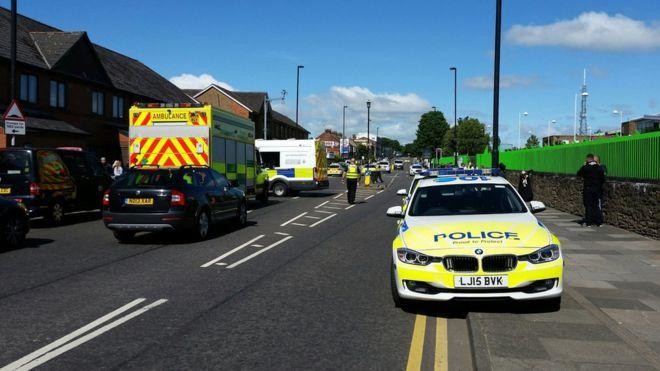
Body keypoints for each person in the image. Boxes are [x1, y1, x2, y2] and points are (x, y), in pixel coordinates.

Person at [577, 153, 605, 227]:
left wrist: (584, 165)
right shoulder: (599, 168)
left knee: (588, 205)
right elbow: (603, 179)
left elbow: (578, 174)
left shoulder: (585, 167)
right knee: (596, 205)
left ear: (588, 159)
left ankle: (588, 222)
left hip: (588, 189)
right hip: (597, 189)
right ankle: (599, 222)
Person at [593, 155, 607, 226]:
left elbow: (603, 175)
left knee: (598, 205)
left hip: (598, 190)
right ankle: (594, 219)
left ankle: (599, 221)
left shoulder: (602, 167)